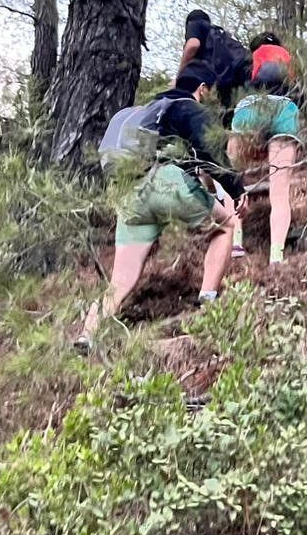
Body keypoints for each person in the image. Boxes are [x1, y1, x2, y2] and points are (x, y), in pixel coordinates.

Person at [77, 62, 248, 350]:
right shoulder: (187, 107)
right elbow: (210, 152)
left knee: (120, 280)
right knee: (226, 225)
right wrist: (235, 188)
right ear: (202, 89)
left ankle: (88, 333)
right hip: (166, 182)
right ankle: (208, 306)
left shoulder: (144, 114)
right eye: (208, 93)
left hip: (129, 195)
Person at [228, 55, 302, 266]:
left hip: (247, 115)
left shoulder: (244, 103)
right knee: (280, 196)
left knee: (232, 183)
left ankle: (235, 242)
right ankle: (276, 256)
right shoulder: (290, 106)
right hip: (283, 117)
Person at [178, 9, 250, 110]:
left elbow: (192, 45)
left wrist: (179, 73)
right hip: (233, 85)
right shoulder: (223, 36)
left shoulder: (195, 23)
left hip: (212, 82)